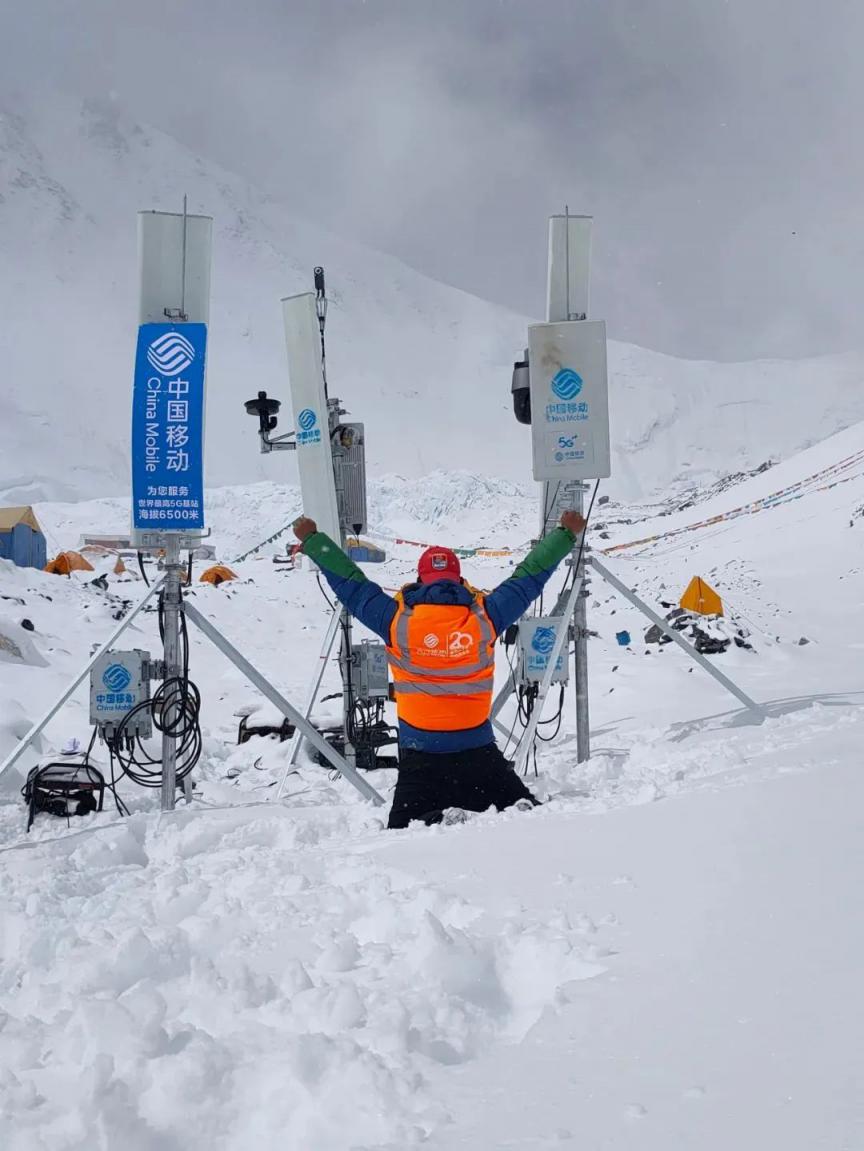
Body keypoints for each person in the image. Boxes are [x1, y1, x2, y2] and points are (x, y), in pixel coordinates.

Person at [292, 509, 586, 828]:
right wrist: (564, 534)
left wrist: (313, 539)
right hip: (478, 751)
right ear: (459, 580)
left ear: (420, 581)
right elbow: (528, 578)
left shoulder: (396, 621)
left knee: (403, 828)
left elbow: (352, 585)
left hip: (421, 756)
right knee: (520, 807)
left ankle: (435, 817)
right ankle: (497, 807)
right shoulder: (486, 617)